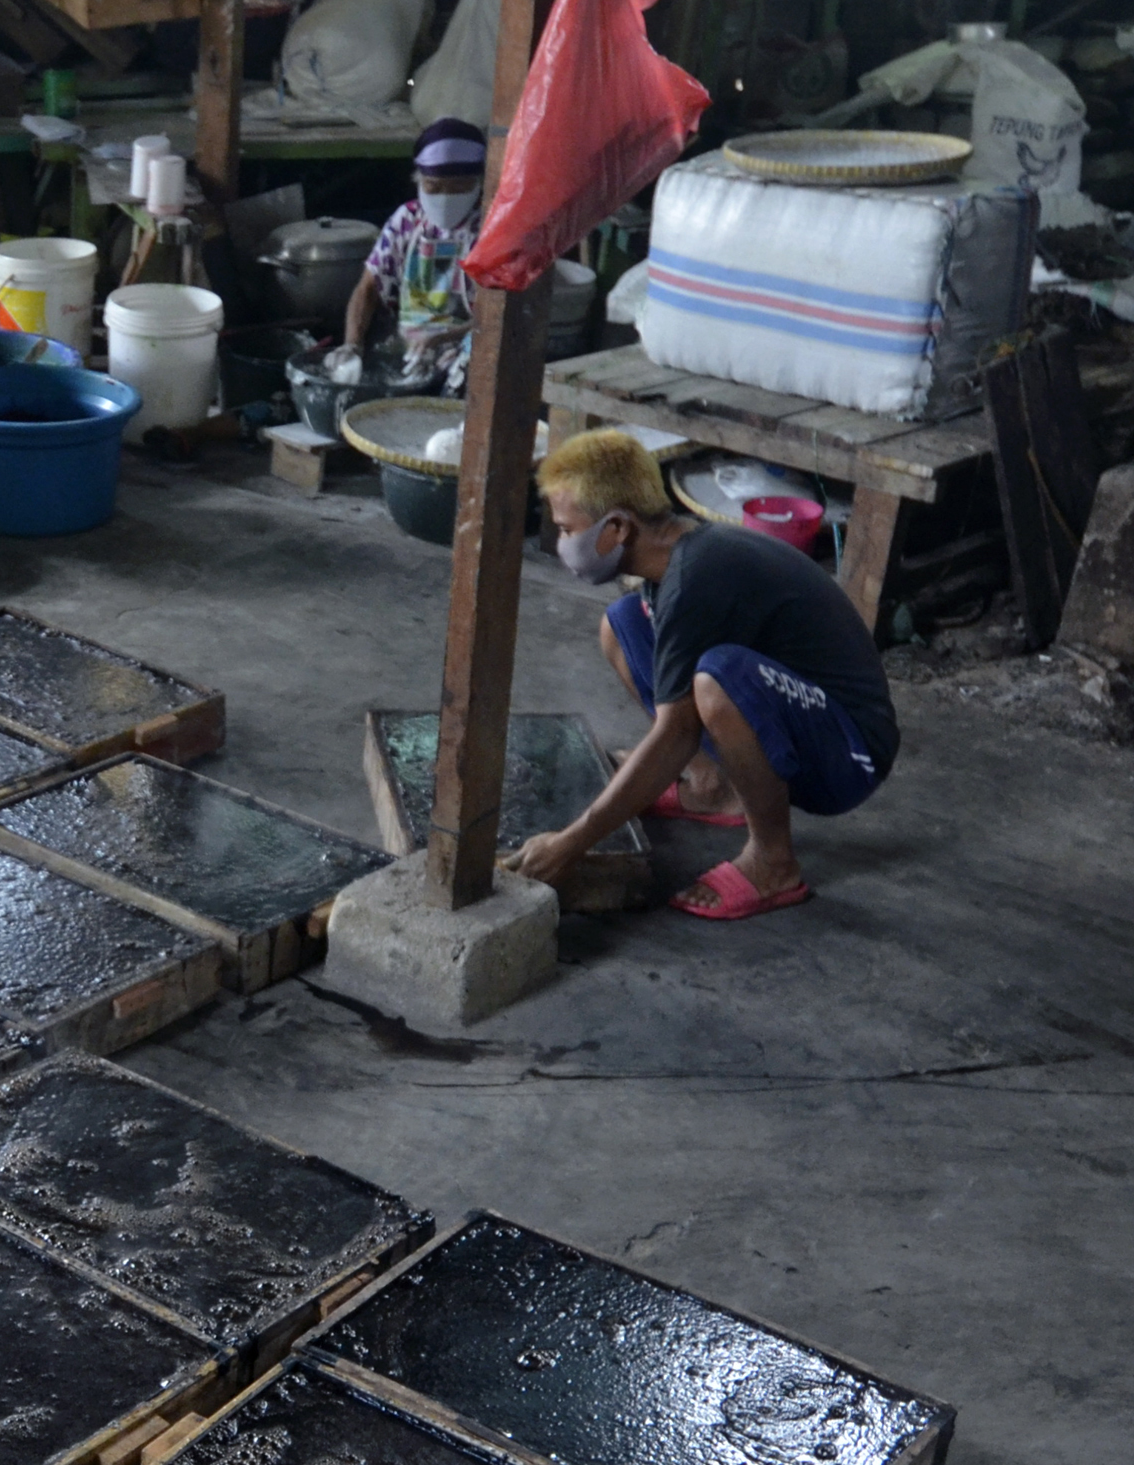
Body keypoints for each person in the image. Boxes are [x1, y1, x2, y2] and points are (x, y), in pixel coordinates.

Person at [512, 430, 898, 921]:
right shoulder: (674, 558)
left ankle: (773, 862)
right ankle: (710, 784)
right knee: (624, 624)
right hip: (802, 716)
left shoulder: (697, 575)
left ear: (617, 528)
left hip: (849, 753)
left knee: (719, 680)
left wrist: (569, 843)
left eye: (569, 529)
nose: (563, 542)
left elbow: (674, 731)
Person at [342, 120, 485, 393]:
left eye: (459, 187)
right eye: (433, 187)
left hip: (463, 349)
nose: (445, 197)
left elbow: (494, 318)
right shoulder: (407, 220)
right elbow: (368, 288)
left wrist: (444, 337)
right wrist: (351, 345)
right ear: (418, 181)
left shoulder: (490, 230)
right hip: (405, 347)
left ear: (478, 183)